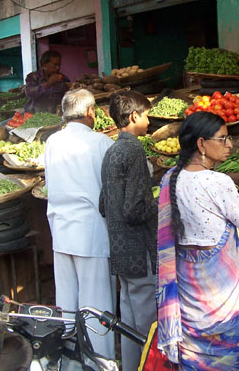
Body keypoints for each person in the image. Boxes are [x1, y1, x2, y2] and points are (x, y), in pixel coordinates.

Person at [156, 111, 239, 369]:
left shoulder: (169, 179)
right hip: (223, 301)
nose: (230, 145)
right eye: (223, 139)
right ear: (201, 144)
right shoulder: (219, 182)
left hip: (189, 296)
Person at [44, 88, 116, 359]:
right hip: (91, 232)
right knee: (96, 305)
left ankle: (68, 358)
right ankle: (99, 361)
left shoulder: (52, 141)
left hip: (61, 231)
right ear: (90, 113)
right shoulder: (100, 142)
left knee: (67, 305)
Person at [99, 90, 157, 371]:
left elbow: (104, 203)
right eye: (146, 115)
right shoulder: (133, 149)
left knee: (130, 322)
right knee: (147, 324)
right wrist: (161, 207)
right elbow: (135, 209)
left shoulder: (111, 150)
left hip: (120, 251)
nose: (148, 120)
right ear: (134, 116)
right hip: (138, 250)